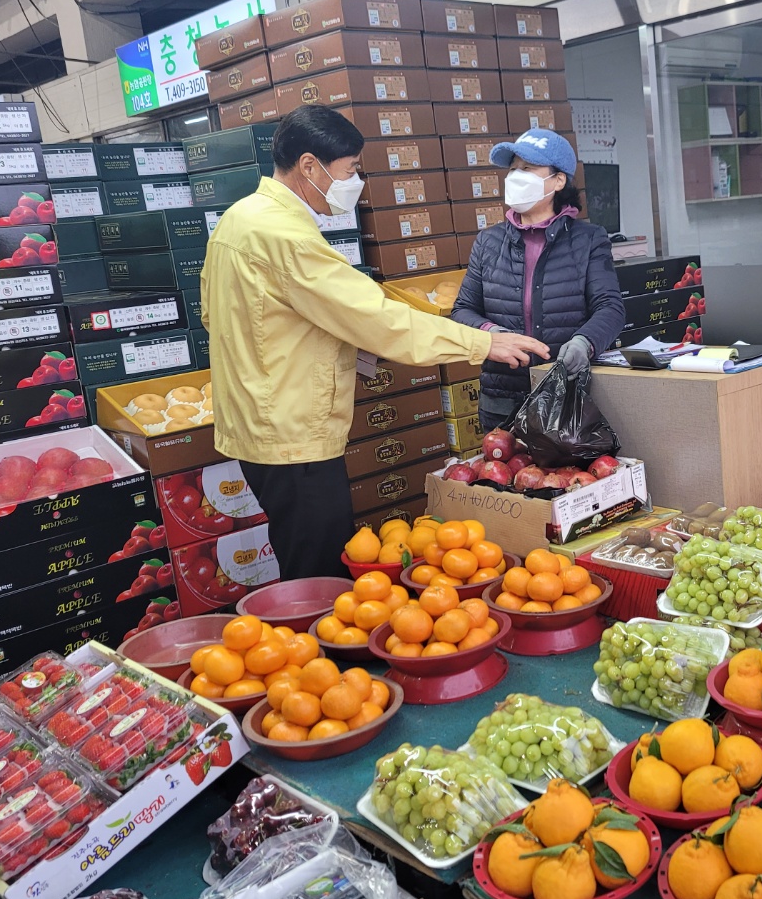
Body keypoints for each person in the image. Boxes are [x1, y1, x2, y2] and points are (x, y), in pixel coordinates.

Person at [201, 106, 548, 579]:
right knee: (318, 566)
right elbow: (376, 318)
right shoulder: (283, 235)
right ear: (309, 166)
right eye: (350, 171)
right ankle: (320, 652)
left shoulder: (238, 220)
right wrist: (481, 345)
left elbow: (219, 315)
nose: (355, 182)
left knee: (298, 546)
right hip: (292, 429)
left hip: (256, 418)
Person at [450, 129, 626, 432]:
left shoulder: (588, 240)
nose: (517, 176)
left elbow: (610, 307)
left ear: (558, 181)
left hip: (566, 394)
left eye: (528, 169)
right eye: (513, 169)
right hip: (502, 399)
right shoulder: (488, 242)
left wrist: (585, 342)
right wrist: (493, 334)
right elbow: (463, 310)